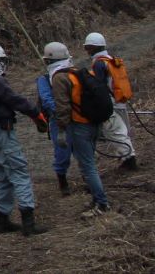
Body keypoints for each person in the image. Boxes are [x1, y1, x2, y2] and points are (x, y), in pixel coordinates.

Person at [0, 42, 49, 235]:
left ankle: (2, 221)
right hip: (2, 132)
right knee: (19, 173)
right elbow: (15, 100)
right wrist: (35, 114)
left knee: (2, 176)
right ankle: (28, 223)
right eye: (2, 60)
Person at [51, 40, 112, 216]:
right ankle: (96, 198)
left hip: (79, 126)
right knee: (90, 162)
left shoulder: (59, 78)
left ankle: (101, 203)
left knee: (87, 166)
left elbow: (62, 107)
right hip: (94, 123)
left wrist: (61, 129)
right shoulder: (77, 72)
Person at [83, 31, 138, 171]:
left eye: (88, 47)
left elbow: (99, 86)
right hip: (120, 99)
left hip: (110, 102)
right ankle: (128, 157)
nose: (87, 50)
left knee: (115, 131)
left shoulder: (99, 64)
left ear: (94, 47)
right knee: (122, 130)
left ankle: (129, 160)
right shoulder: (110, 59)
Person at [36, 42, 73, 193]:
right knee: (63, 151)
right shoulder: (45, 79)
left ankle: (84, 178)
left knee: (77, 150)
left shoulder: (70, 73)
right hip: (60, 119)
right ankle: (62, 180)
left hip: (71, 117)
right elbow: (47, 99)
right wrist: (61, 112)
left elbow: (46, 99)